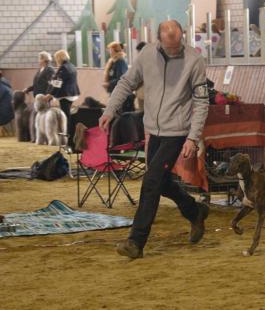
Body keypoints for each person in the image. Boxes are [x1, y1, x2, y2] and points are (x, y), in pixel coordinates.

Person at [99, 20, 210, 259]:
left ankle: (136, 242)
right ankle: (195, 211)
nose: (174, 48)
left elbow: (202, 101)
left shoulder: (194, 60)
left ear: (183, 35)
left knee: (150, 181)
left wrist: (193, 137)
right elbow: (127, 82)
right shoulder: (147, 54)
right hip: (153, 129)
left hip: (177, 132)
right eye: (169, 43)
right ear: (159, 38)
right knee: (162, 183)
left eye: (178, 41)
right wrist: (110, 110)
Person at [49, 50, 80, 123]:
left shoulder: (63, 68)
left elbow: (58, 83)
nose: (55, 60)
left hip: (65, 95)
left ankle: (66, 132)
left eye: (56, 58)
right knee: (67, 113)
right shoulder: (71, 65)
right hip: (73, 93)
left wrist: (50, 94)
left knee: (65, 115)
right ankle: (69, 131)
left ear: (59, 58)